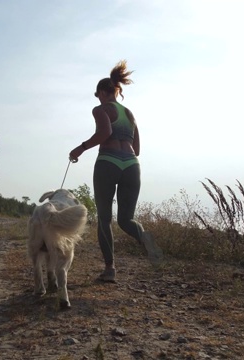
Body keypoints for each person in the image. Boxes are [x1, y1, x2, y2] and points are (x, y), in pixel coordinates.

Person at [69, 60, 163, 283]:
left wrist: (80, 148)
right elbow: (137, 149)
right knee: (126, 219)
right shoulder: (130, 114)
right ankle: (144, 237)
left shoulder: (101, 109)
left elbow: (104, 133)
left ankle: (110, 269)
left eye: (98, 95)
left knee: (104, 219)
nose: (98, 99)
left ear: (103, 92)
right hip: (131, 165)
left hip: (108, 163)